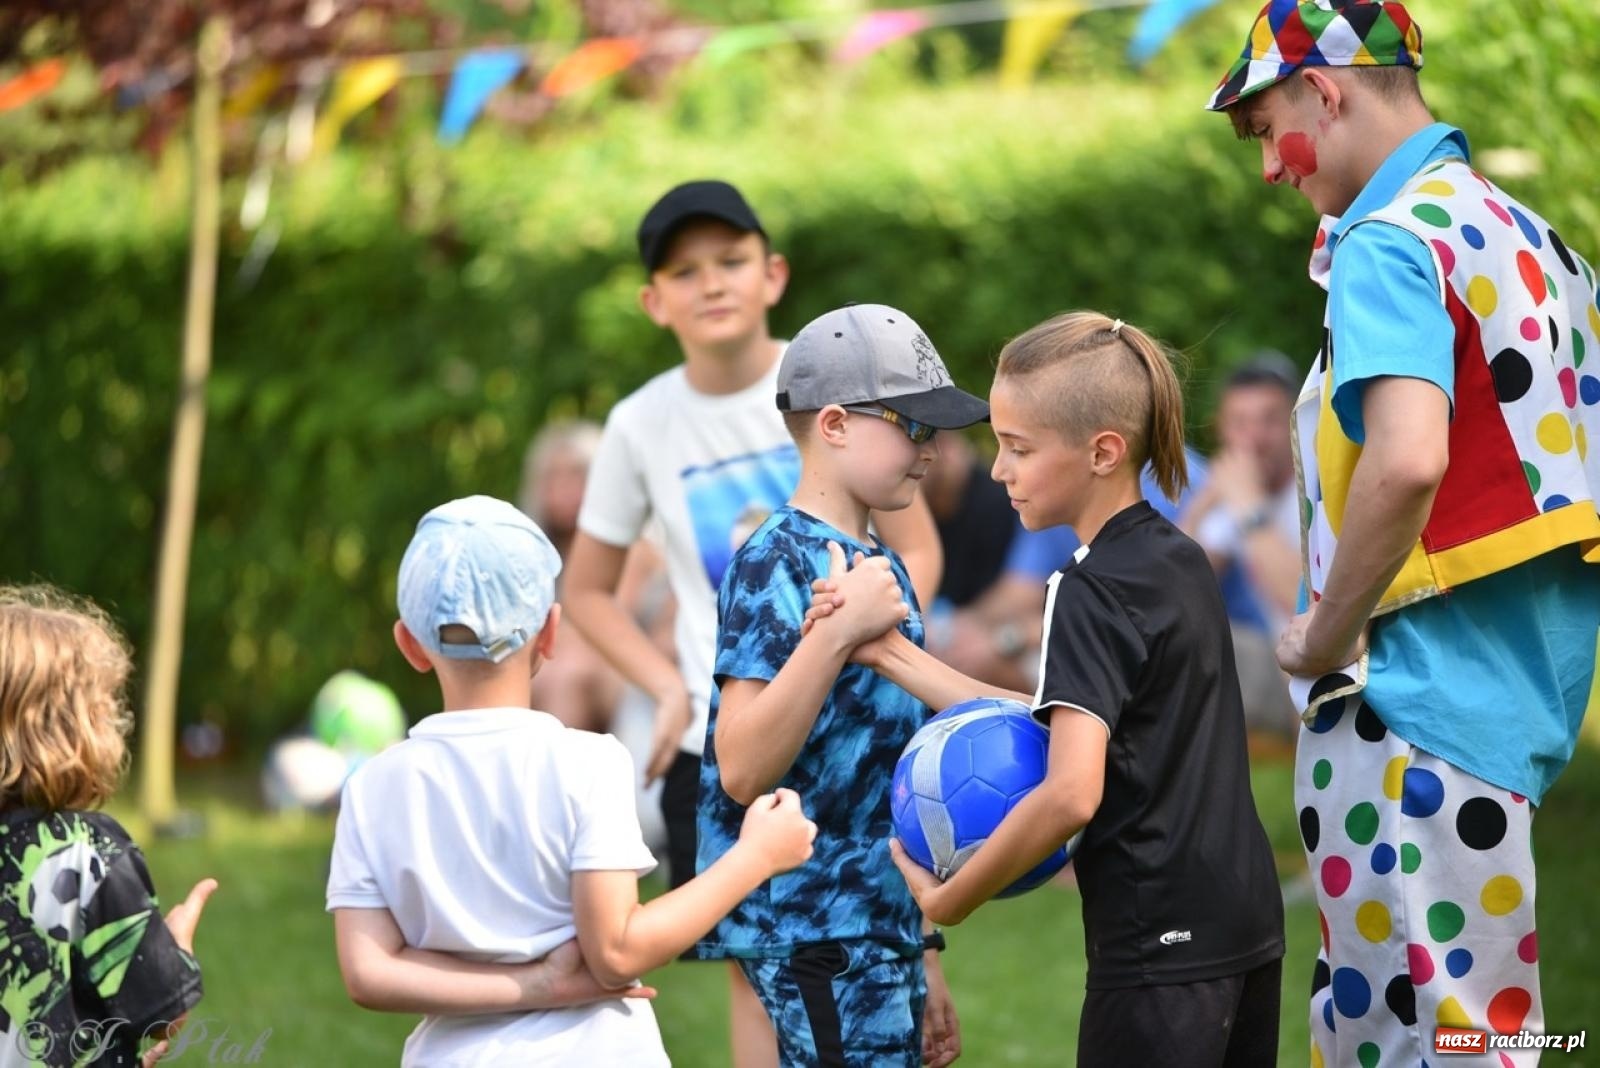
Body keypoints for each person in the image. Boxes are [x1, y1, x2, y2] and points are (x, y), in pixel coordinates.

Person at [1208, 2, 1600, 1064]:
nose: (1270, 171)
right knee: (1476, 1034)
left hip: (1407, 712)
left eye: (1263, 131)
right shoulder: (1530, 238)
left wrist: (1324, 634)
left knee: (1415, 1041)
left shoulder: (1388, 243)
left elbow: (1408, 456)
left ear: (1323, 91)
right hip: (1515, 704)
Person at [808, 312, 1285, 1068]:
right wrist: (889, 654)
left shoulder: (1087, 590)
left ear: (1102, 452)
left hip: (1154, 945)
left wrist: (948, 900)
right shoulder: (1177, 558)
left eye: (1019, 448)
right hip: (1244, 922)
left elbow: (1069, 793)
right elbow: (1053, 718)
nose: (999, 470)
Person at [562, 179, 943, 1066]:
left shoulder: (836, 382)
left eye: (731, 261)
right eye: (684, 271)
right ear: (654, 302)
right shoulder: (640, 423)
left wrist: (864, 643)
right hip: (732, 738)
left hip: (843, 716)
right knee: (764, 972)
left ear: (773, 274)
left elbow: (911, 556)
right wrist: (665, 688)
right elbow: (585, 593)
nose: (713, 284)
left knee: (853, 963)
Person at [326, 496, 817, 1066]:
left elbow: (367, 972)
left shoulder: (371, 787)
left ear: (409, 645)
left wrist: (537, 984)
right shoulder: (587, 764)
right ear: (550, 634)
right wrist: (755, 857)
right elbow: (616, 950)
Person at [698, 304, 980, 1067]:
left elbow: (890, 772)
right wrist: (834, 636)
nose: (932, 449)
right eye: (913, 426)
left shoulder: (873, 558)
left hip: (878, 922)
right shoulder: (776, 560)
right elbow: (744, 768)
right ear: (833, 425)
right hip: (813, 922)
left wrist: (924, 951)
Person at [0, 585, 218, 1068]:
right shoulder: (86, 851)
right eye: (105, 708)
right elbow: (164, 1013)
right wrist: (175, 945)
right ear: (74, 731)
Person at [941, 448, 1209, 694]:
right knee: (956, 649)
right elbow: (1022, 590)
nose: (997, 471)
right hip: (1089, 639)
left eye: (1022, 449)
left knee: (1006, 671)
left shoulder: (1173, 481)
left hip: (1183, 651)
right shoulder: (1062, 486)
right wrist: (960, 628)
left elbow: (1131, 617)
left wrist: (1006, 640)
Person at [1179, 354, 1301, 741]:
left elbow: (1306, 603)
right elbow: (1170, 590)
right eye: (1240, 423)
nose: (1254, 439)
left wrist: (1249, 509)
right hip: (1280, 660)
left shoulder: (1319, 489)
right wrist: (1206, 501)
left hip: (1322, 656)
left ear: (1297, 423)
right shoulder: (1233, 494)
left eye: (1269, 421)